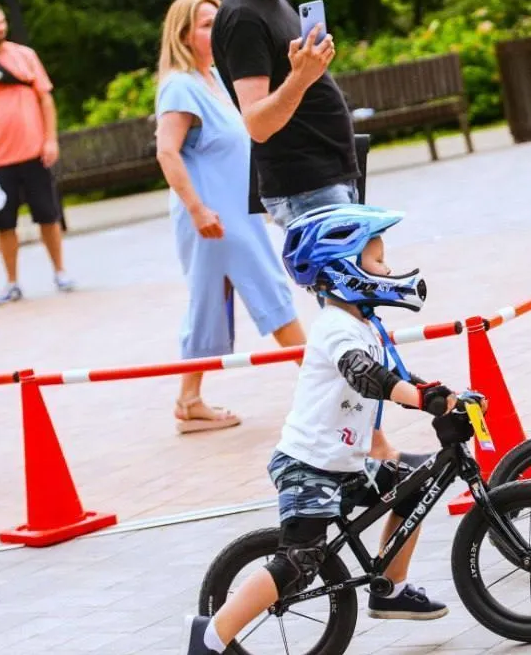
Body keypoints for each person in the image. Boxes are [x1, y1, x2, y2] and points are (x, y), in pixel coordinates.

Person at [181, 204, 470, 655]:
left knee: (416, 482)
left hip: (344, 464)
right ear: (344, 270)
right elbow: (364, 375)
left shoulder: (364, 323)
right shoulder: (336, 328)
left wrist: (444, 398)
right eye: (377, 261)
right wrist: (423, 402)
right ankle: (210, 637)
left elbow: (395, 375)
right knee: (300, 561)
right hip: (308, 467)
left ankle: (389, 589)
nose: (389, 269)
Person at [155, 0, 306, 433]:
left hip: (234, 212)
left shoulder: (216, 78)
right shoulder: (181, 85)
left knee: (209, 305)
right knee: (268, 290)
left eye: (218, 21)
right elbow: (167, 152)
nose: (216, 29)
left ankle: (188, 399)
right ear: (183, 35)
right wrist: (198, 209)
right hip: (210, 215)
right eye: (206, 24)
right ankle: (325, 380)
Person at [212, 0, 362, 229]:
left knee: (360, 272)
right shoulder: (243, 17)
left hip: (330, 176)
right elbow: (257, 124)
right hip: (307, 185)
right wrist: (301, 77)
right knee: (340, 276)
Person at [0, 0, 76, 306]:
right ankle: (12, 281)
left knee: (48, 216)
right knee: (3, 224)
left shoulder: (26, 56)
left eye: (1, 22)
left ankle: (60, 271)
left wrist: (50, 140)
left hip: (34, 152)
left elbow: (46, 100)